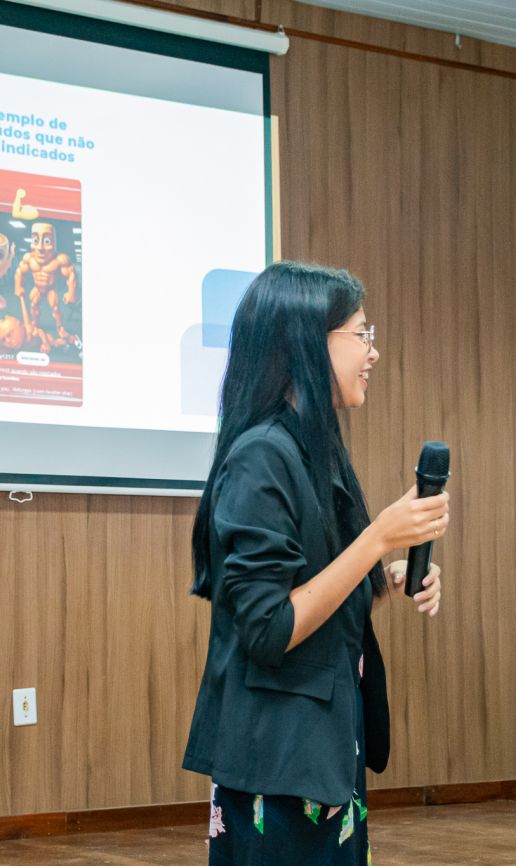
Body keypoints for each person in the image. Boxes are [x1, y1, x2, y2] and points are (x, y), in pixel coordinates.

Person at [184, 261, 449, 865]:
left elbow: (314, 579)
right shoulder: (261, 455)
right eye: (360, 334)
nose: (373, 352)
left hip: (323, 750)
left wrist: (389, 572)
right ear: (306, 341)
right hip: (278, 760)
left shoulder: (313, 450)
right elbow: (270, 627)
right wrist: (377, 539)